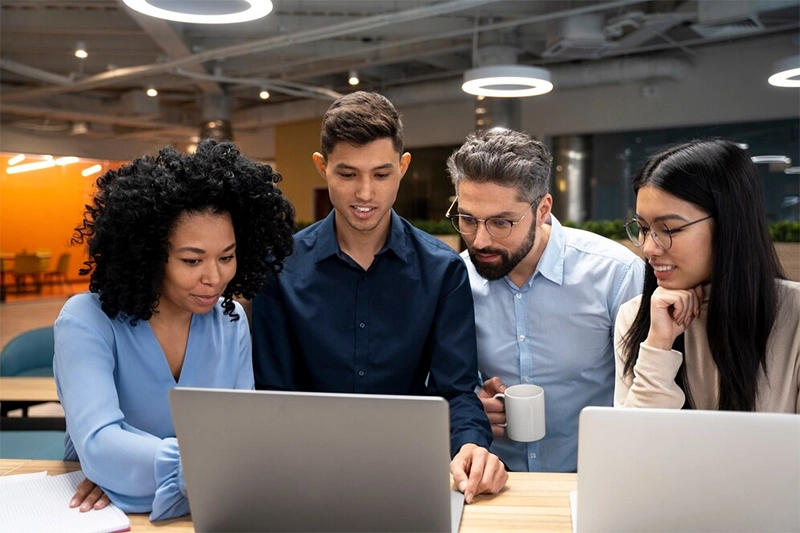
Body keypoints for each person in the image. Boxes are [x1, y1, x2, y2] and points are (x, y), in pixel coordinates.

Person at [251, 91, 507, 503]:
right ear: (322, 167)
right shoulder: (279, 269)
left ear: (403, 168)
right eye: (348, 174)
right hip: (303, 478)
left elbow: (456, 389)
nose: (366, 194)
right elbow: (271, 393)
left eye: (382, 174)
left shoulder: (442, 270)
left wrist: (471, 445)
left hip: (409, 475)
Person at [54, 139, 296, 520]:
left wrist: (133, 475)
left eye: (227, 257)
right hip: (99, 516)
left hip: (195, 513)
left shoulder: (231, 322)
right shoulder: (86, 321)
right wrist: (207, 473)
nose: (214, 278)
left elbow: (242, 445)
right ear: (148, 254)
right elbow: (100, 447)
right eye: (192, 260)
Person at [445, 128, 645, 472]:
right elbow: (444, 385)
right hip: (495, 482)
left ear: (542, 209)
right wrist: (470, 408)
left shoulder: (617, 274)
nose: (479, 240)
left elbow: (648, 392)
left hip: (595, 478)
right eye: (467, 219)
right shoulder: (456, 279)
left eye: (501, 222)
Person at [615, 139, 800, 412]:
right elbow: (633, 447)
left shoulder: (793, 315)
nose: (649, 247)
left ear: (729, 224)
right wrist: (658, 345)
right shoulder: (638, 316)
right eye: (642, 227)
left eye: (670, 229)